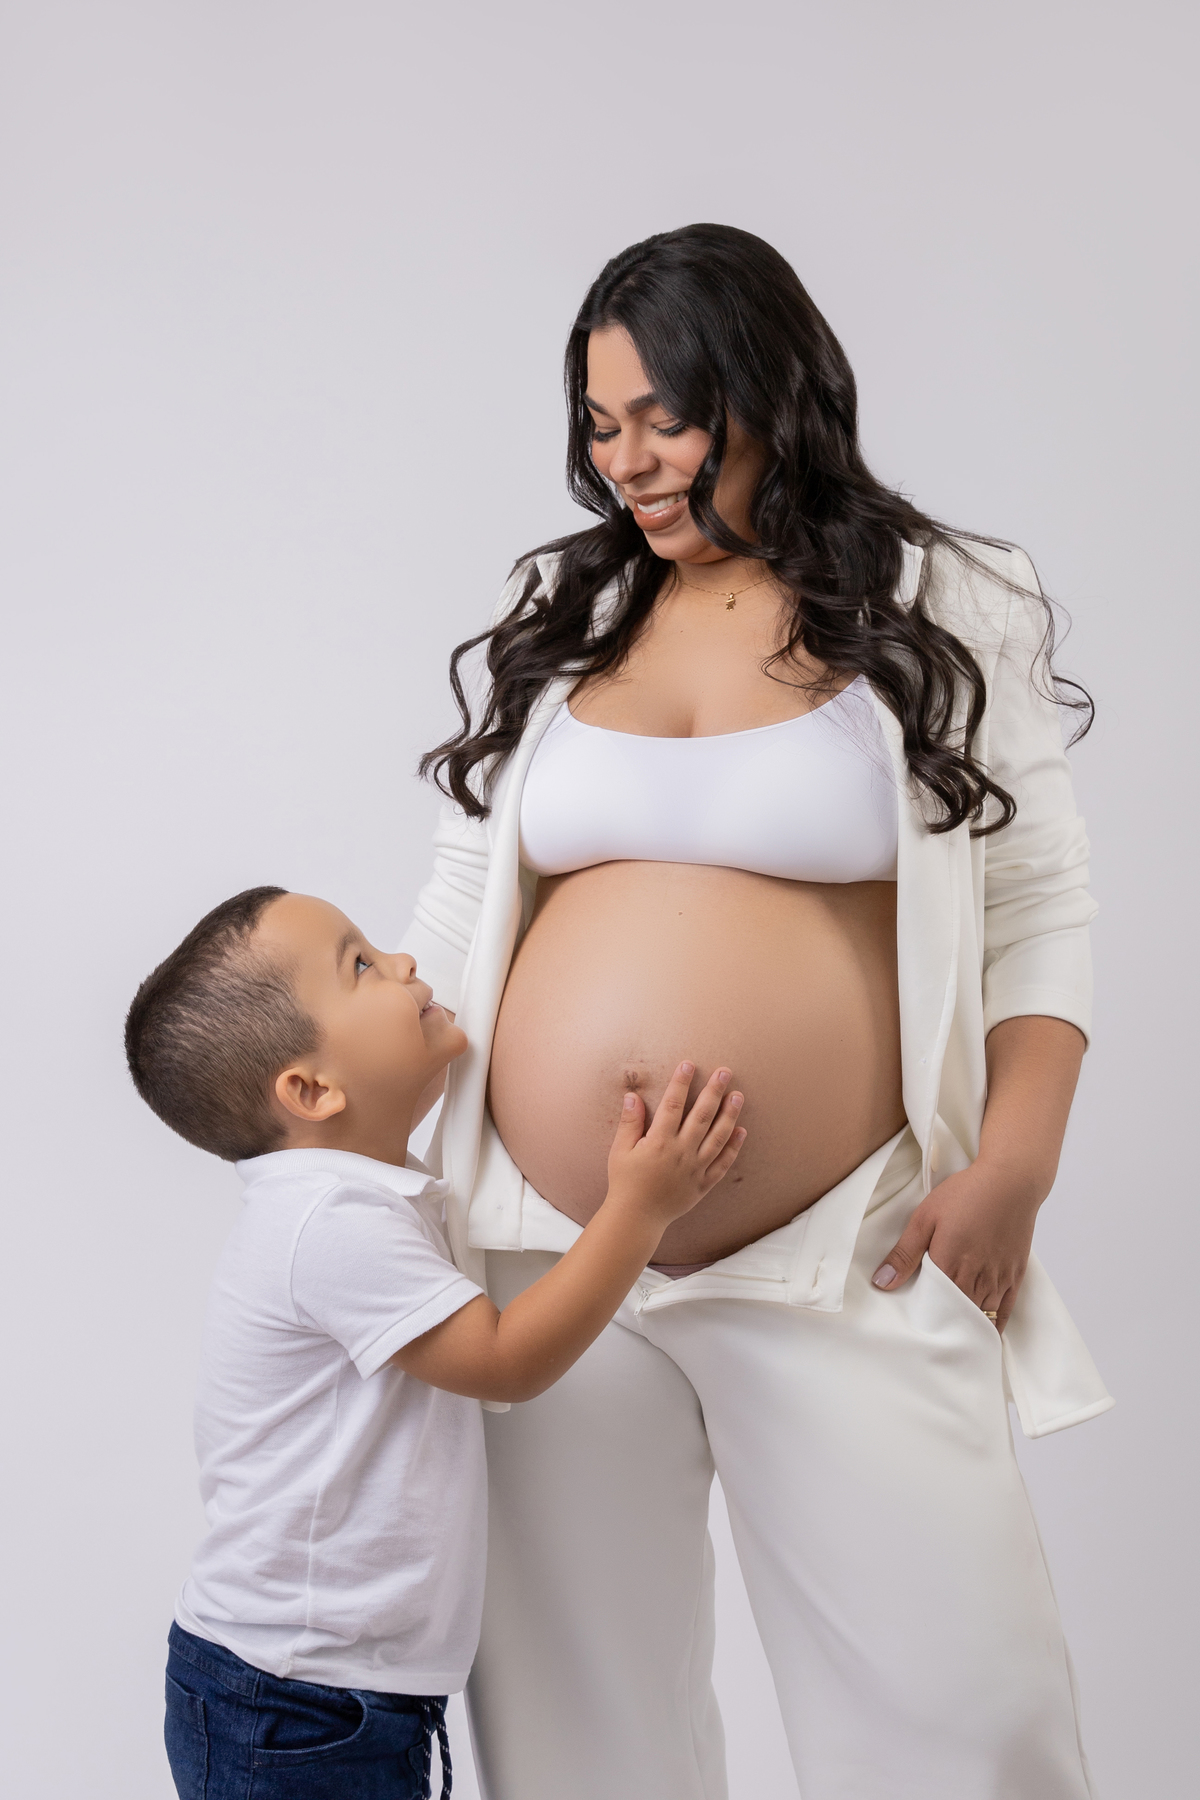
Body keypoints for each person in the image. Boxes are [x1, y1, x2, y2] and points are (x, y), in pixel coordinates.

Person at [405, 223, 1114, 1800]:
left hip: (844, 1241)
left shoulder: (947, 598)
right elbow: (460, 909)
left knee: (963, 1714)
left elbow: (1039, 908)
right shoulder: (567, 605)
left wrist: (1017, 1167)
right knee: (578, 1731)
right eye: (601, 424)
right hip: (547, 1253)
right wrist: (377, 1171)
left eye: (668, 415)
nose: (631, 463)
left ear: (772, 393)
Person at [124, 884, 745, 1800]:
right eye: (363, 966)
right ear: (310, 1090)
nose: (405, 963)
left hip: (329, 1698)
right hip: (291, 1709)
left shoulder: (363, 1194)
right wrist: (639, 1210)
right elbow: (503, 1357)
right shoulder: (327, 1220)